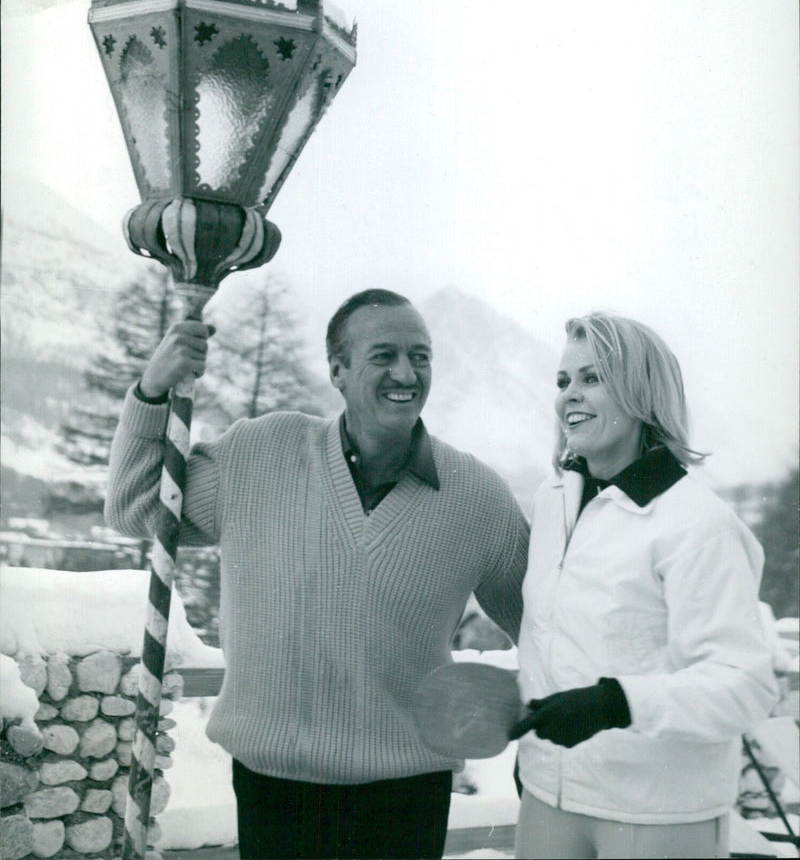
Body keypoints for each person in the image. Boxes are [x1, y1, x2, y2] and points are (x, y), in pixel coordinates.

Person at [106, 287, 529, 860]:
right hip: (274, 787)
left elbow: (548, 627)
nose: (406, 372)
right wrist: (153, 391)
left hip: (406, 796)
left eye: (420, 356)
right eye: (383, 355)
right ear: (338, 369)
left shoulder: (478, 500)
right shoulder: (260, 453)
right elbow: (135, 505)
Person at [510, 312, 778, 860]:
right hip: (548, 799)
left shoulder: (697, 523)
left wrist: (616, 703)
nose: (569, 397)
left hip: (657, 814)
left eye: (592, 378)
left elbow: (744, 686)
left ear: (640, 393)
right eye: (563, 381)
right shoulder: (551, 502)